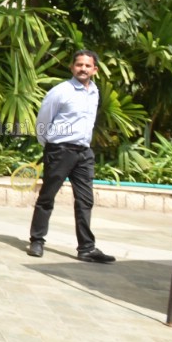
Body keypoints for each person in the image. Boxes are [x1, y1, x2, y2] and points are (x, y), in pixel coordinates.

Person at [27, 50, 116, 263]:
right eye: (79, 65)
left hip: (84, 152)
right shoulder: (60, 92)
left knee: (85, 201)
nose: (83, 69)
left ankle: (86, 248)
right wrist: (48, 146)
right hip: (60, 150)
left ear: (95, 69)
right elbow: (43, 122)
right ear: (72, 67)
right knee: (47, 196)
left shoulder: (95, 92)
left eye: (87, 65)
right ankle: (37, 240)